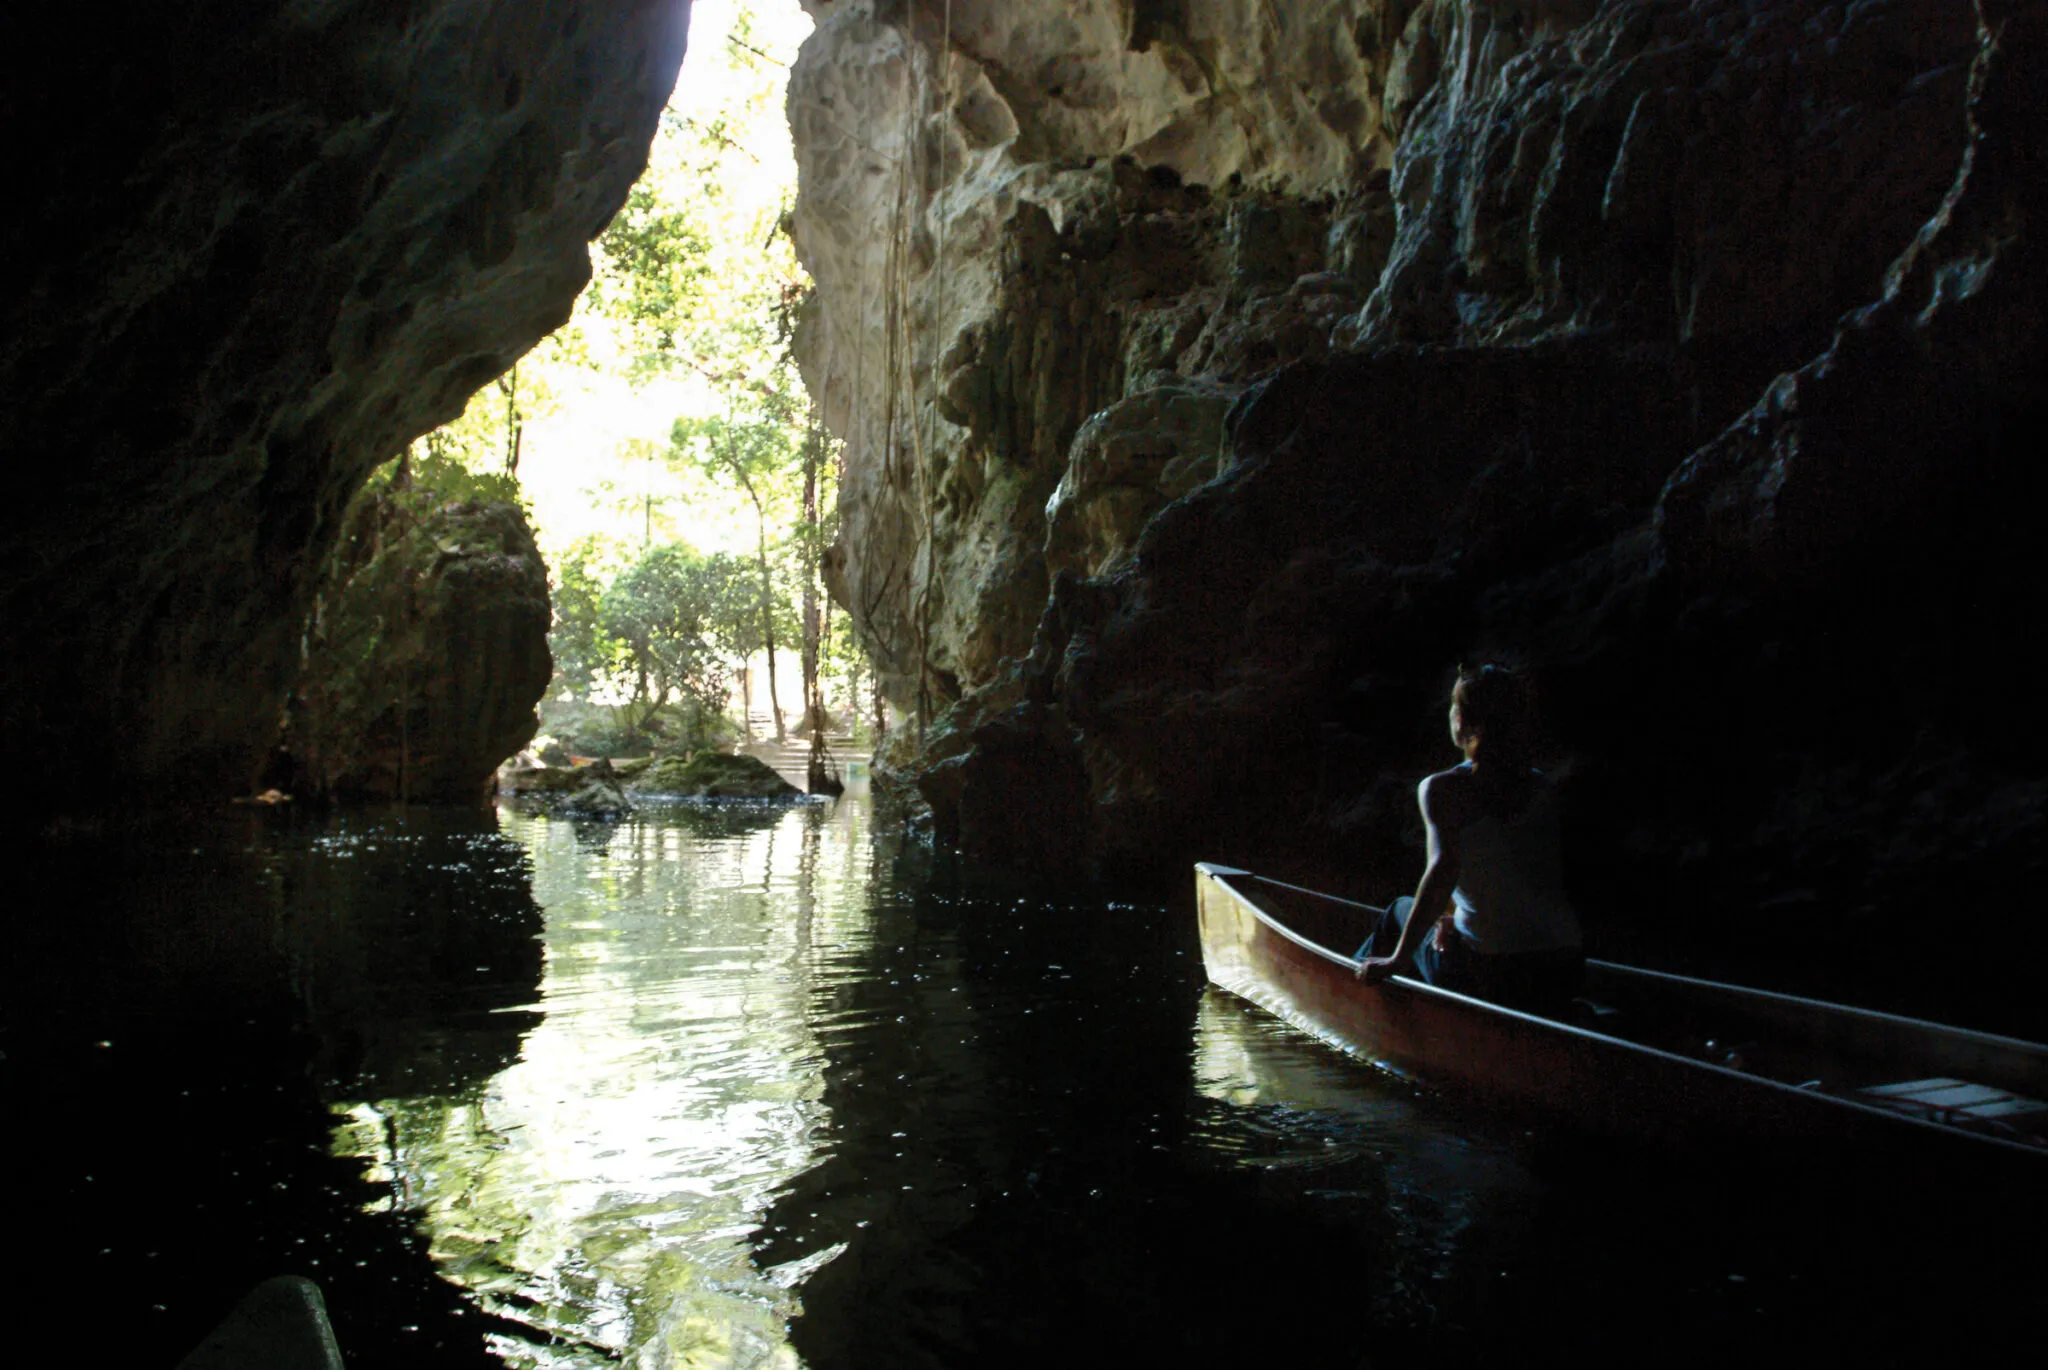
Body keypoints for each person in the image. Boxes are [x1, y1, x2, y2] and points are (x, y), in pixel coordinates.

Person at [1354, 664, 1584, 1014]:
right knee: (1437, 926)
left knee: (1397, 912)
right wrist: (1452, 917)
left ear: (1462, 720)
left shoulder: (1443, 789)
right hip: (1565, 967)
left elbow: (1443, 871)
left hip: (1494, 974)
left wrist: (1399, 959)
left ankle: (1352, 1000)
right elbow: (1511, 877)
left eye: (1452, 706)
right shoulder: (1543, 788)